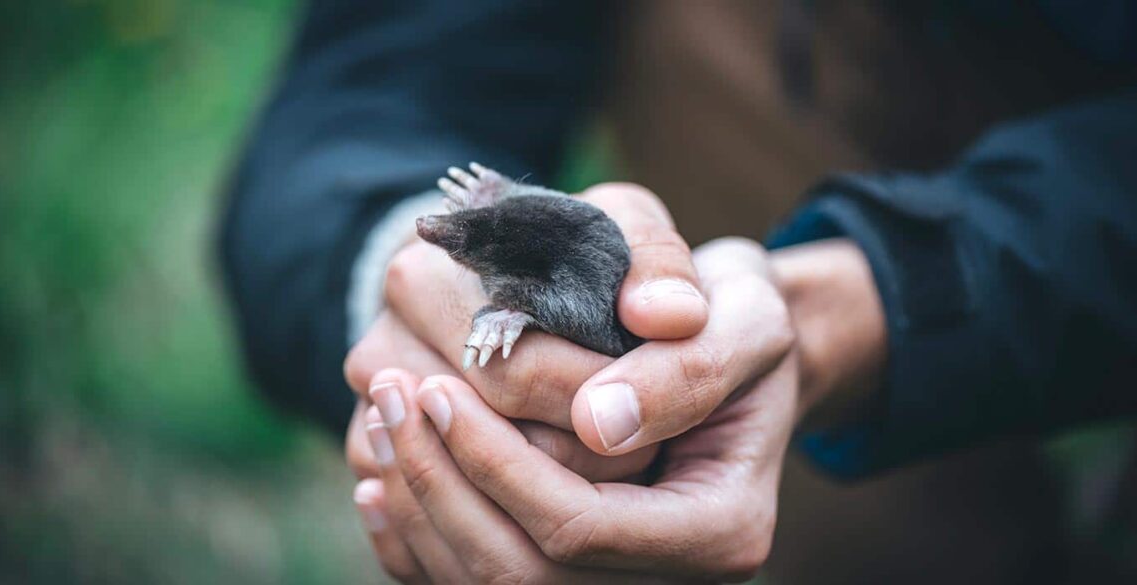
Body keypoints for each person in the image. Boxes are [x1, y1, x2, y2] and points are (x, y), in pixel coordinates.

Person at [219, 1, 1137, 582]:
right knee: (855, 536)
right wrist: (396, 274)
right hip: (812, 44)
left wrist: (866, 309)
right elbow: (372, 83)